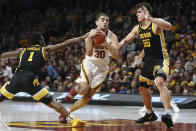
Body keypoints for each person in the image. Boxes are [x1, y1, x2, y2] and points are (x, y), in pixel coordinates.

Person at [0, 32, 88, 127]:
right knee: (53, 104)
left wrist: (3, 58)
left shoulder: (22, 50)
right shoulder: (45, 50)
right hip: (30, 81)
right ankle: (74, 120)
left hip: (16, 79)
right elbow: (65, 44)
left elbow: (4, 55)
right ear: (40, 41)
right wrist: (81, 37)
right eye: (43, 39)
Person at [118, 2, 174, 128]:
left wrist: (152, 18)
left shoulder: (155, 23)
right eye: (136, 12)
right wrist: (122, 43)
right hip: (148, 61)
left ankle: (168, 114)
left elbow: (169, 26)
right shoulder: (138, 28)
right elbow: (129, 37)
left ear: (146, 12)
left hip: (160, 59)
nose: (137, 14)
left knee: (159, 82)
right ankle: (149, 114)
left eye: (139, 12)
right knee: (143, 87)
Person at [59, 12, 121, 122]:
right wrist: (89, 39)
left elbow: (117, 56)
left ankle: (66, 113)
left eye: (107, 20)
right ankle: (76, 89)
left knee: (87, 97)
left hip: (102, 69)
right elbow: (88, 52)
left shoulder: (112, 36)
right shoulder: (91, 34)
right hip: (89, 64)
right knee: (83, 89)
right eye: (102, 20)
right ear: (96, 22)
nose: (105, 22)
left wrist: (105, 43)